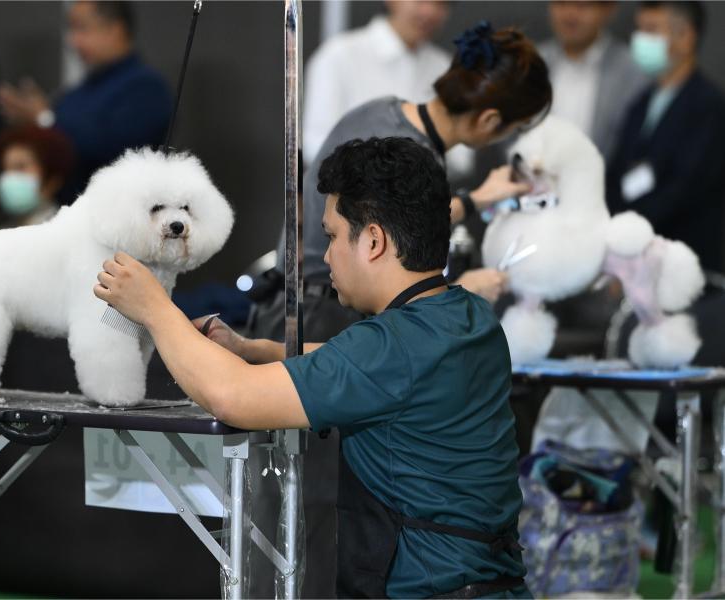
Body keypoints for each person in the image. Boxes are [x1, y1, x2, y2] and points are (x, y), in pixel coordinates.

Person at [95, 136, 529, 598]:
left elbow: (232, 396)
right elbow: (359, 363)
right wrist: (255, 349)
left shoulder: (391, 348)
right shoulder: (466, 316)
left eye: (333, 236)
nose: (326, 255)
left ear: (374, 241)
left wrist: (155, 308)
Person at [247, 22, 550, 597]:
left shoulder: (380, 113)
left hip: (342, 321)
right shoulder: (400, 154)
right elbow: (230, 394)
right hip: (332, 312)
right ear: (490, 121)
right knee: (330, 515)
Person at [0, 0, 171, 203]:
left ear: (116, 31)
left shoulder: (146, 88)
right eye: (71, 29)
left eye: (82, 28)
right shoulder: (76, 93)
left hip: (117, 214)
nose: (73, 41)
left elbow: (114, 148)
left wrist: (45, 119)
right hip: (66, 212)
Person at [606, 1, 725, 273]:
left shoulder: (709, 107)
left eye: (651, 30)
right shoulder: (641, 102)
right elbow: (617, 171)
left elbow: (685, 189)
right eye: (639, 29)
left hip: (681, 259)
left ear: (685, 37)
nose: (640, 39)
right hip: (630, 256)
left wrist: (630, 230)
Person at [303, 1, 473, 178]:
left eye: (441, 3)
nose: (429, 11)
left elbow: (461, 157)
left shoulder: (444, 67)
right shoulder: (339, 56)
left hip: (427, 191)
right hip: (349, 191)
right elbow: (316, 145)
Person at [539, 1, 648, 161]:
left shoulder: (633, 71)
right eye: (561, 3)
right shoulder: (529, 63)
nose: (569, 15)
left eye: (582, 5)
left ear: (608, 9)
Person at [0, 125, 75, 227]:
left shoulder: (66, 230)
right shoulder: (3, 230)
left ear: (52, 180)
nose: (9, 177)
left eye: (20, 167)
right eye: (4, 169)